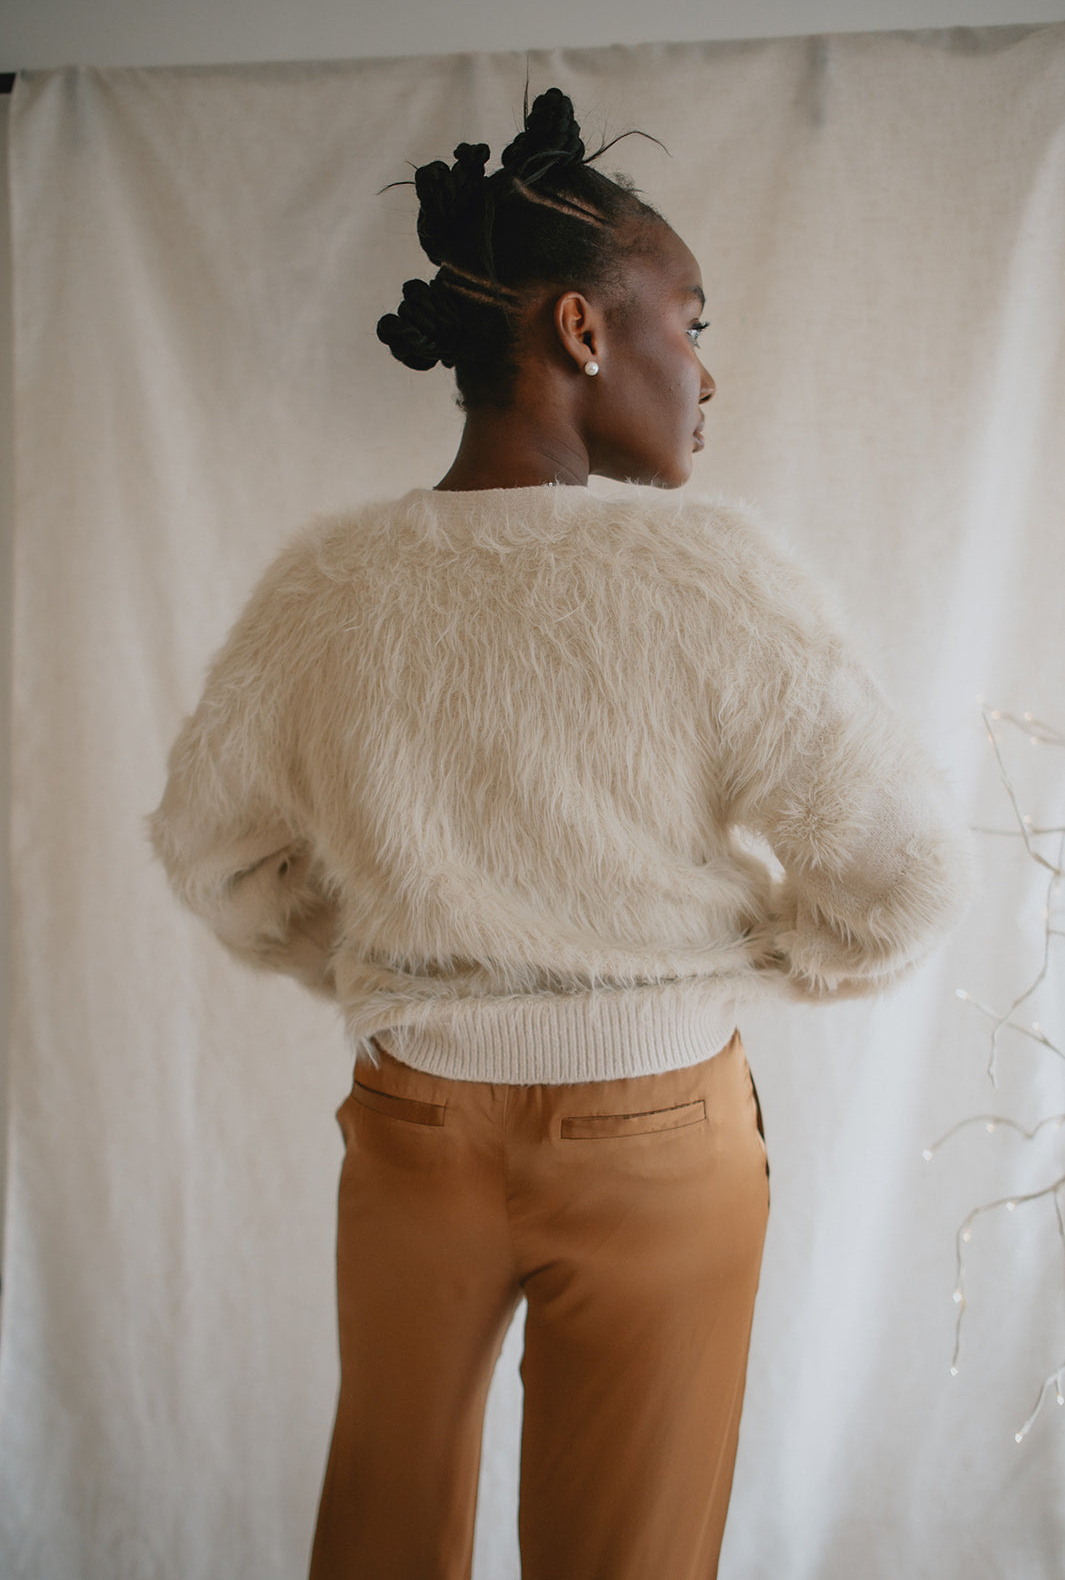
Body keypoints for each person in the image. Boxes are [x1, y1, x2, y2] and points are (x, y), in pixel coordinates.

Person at [149, 87, 972, 1580]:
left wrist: (393, 962)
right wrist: (740, 957)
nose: (706, 373)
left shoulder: (328, 589)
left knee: (384, 1533)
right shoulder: (713, 581)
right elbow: (903, 876)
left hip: (416, 1137)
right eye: (692, 324)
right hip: (660, 1142)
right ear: (584, 330)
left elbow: (213, 851)